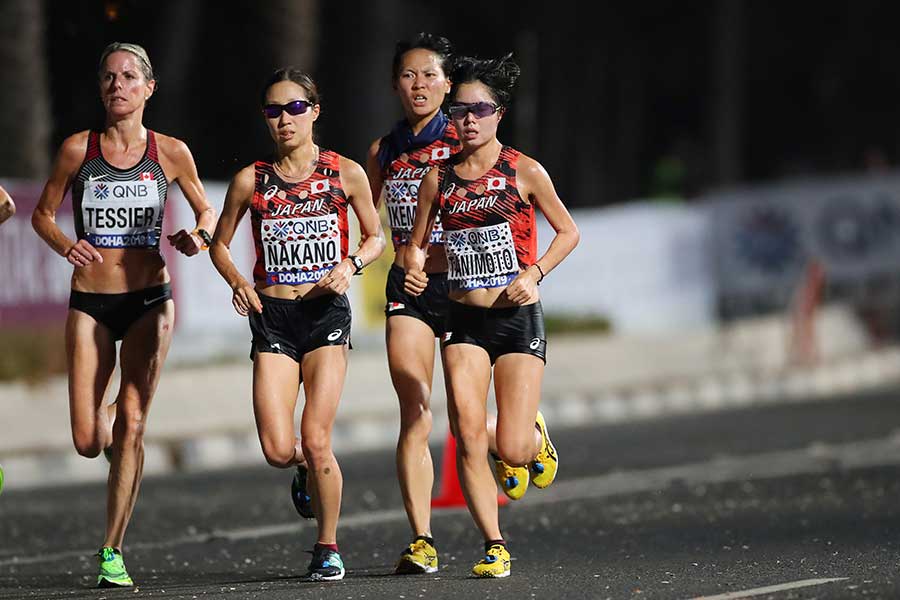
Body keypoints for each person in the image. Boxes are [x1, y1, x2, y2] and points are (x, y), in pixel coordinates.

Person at [31, 42, 216, 588]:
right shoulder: (78, 149)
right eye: (109, 77)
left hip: (149, 300)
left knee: (133, 423)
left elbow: (206, 209)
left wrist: (199, 237)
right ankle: (114, 418)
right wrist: (66, 244)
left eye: (130, 76)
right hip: (91, 301)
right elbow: (42, 215)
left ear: (148, 88)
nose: (118, 85)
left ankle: (112, 550)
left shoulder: (169, 152)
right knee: (89, 440)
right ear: (100, 87)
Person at [405, 53, 580, 578]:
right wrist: (415, 269)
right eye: (458, 111)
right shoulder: (438, 179)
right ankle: (494, 545)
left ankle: (532, 437)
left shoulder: (524, 170)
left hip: (516, 318)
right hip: (463, 321)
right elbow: (418, 247)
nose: (468, 120)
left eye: (478, 110)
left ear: (498, 114)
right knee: (466, 431)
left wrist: (536, 273)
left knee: (513, 448)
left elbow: (568, 232)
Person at [209, 67, 384, 582]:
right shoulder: (251, 179)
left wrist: (351, 264)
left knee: (316, 436)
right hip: (273, 318)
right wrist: (237, 282)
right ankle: (304, 468)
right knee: (277, 449)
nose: (284, 119)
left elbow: (375, 237)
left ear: (314, 111)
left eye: (295, 108)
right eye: (273, 110)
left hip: (325, 313)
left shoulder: (344, 172)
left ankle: (327, 546)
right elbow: (219, 244)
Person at [364, 32, 463, 575]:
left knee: (468, 419)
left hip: (468, 285)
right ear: (395, 86)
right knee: (415, 408)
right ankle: (422, 538)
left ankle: (519, 434)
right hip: (409, 287)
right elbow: (365, 221)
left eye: (429, 74)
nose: (418, 84)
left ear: (447, 84)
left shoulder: (465, 138)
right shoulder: (383, 150)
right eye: (408, 75)